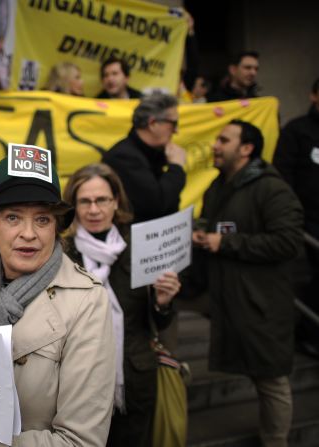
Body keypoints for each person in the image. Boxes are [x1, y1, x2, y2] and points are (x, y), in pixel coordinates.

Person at [0, 150, 115, 447]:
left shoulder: (87, 302)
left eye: (42, 219)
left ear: (56, 228)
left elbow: (82, 441)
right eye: (13, 217)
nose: (28, 233)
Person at [189, 120, 303, 447]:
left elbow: (288, 242)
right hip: (226, 294)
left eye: (224, 139)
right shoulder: (219, 185)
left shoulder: (272, 188)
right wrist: (203, 233)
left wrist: (225, 243)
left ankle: (275, 440)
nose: (215, 144)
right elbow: (219, 226)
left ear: (246, 149)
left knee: (271, 380)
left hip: (260, 302)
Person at [62, 163, 180, 446]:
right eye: (85, 201)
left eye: (102, 199)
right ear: (73, 206)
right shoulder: (62, 253)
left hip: (134, 382)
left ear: (116, 201)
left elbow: (157, 322)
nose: (94, 209)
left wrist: (163, 303)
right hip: (76, 384)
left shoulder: (140, 248)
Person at [273, 77, 319, 356]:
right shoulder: (297, 130)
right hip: (308, 221)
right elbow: (283, 174)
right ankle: (309, 334)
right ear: (314, 95)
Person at [102, 93, 187, 223]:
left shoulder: (153, 153)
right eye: (173, 123)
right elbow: (156, 204)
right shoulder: (123, 157)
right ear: (153, 123)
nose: (176, 131)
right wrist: (176, 168)